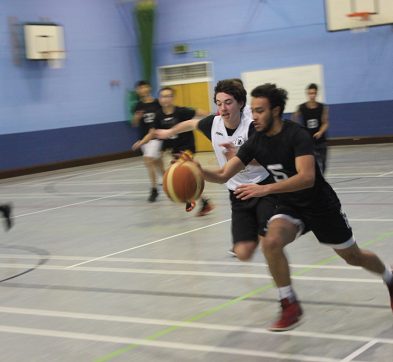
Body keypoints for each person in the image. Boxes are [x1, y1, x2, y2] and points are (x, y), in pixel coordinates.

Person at [197, 83, 393, 331]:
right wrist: (197, 172)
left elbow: (306, 177)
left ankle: (389, 277)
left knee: (353, 257)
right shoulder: (255, 140)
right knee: (271, 242)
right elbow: (225, 174)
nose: (254, 116)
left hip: (320, 206)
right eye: (253, 111)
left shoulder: (297, 135)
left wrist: (265, 189)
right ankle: (288, 303)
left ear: (276, 111)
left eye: (260, 111)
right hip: (290, 205)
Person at [156, 79, 277, 258]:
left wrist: (240, 156)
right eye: (219, 103)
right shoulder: (213, 124)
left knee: (270, 243)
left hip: (262, 187)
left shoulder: (252, 126)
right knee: (243, 253)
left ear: (240, 103)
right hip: (237, 191)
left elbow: (270, 159)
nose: (223, 108)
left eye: (228, 102)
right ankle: (253, 236)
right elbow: (190, 123)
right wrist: (168, 133)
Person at [131, 80, 164, 202]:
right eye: (140, 88)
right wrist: (136, 118)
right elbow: (134, 124)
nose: (143, 90)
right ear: (137, 91)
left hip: (156, 136)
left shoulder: (157, 103)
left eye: (144, 87)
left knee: (148, 160)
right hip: (144, 138)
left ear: (149, 88)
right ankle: (166, 179)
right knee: (157, 161)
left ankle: (154, 190)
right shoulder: (138, 106)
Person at [292, 83, 329, 174]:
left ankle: (321, 179)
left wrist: (320, 132)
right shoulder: (301, 107)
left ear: (316, 94)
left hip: (321, 141)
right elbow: (294, 117)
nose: (312, 95)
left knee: (323, 163)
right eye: (310, 93)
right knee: (310, 163)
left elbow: (325, 123)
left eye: (314, 93)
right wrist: (300, 130)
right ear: (307, 94)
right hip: (308, 141)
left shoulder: (322, 107)